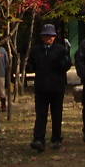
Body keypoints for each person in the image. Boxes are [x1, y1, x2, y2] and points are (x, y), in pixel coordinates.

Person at [27, 23, 71, 151]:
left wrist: (63, 61)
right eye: (46, 35)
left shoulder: (60, 50)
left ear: (55, 37)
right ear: (42, 37)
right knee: (41, 114)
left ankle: (56, 138)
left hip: (57, 87)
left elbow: (67, 65)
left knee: (57, 114)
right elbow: (31, 65)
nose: (48, 38)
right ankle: (38, 139)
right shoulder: (36, 50)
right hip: (41, 87)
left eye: (51, 36)